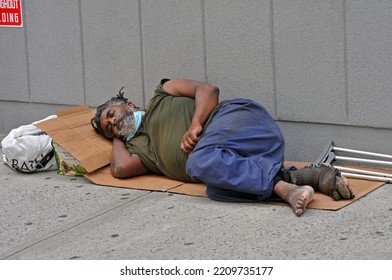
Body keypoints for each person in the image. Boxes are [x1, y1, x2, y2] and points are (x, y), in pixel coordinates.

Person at [91, 78, 354, 216]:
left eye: (112, 114)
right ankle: (305, 179)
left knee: (197, 161)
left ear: (129, 104)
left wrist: (196, 123)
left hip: (243, 121)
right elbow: (120, 168)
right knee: (217, 191)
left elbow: (208, 89)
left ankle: (283, 186)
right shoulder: (138, 149)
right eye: (108, 126)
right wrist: (118, 136)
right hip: (249, 159)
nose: (113, 122)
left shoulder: (161, 94)